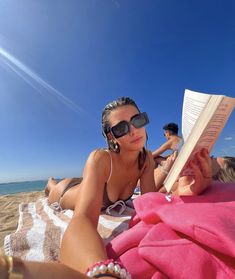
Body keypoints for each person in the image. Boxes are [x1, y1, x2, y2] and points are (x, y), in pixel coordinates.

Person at [0, 97, 213, 279]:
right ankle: (50, 182)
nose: (133, 130)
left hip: (87, 183)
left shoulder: (146, 159)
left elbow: (150, 203)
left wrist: (183, 192)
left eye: (137, 120)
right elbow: (82, 219)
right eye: (121, 128)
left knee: (80, 182)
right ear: (111, 137)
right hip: (67, 193)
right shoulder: (101, 159)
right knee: (54, 189)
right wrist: (101, 271)